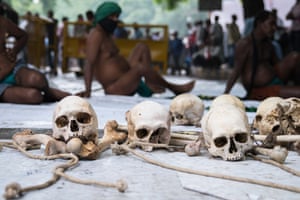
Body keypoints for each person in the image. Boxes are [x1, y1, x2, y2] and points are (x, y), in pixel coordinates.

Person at [79, 2, 195, 98]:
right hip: (115, 86)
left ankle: (150, 83)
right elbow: (89, 63)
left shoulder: (106, 34)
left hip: (124, 75)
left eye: (117, 17)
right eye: (112, 16)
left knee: (141, 47)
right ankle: (174, 88)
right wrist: (87, 90)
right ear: (103, 16)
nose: (115, 20)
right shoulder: (96, 35)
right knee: (140, 68)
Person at [0, 6, 71, 104]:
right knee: (34, 97)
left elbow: (23, 35)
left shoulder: (3, 21)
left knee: (38, 79)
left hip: (13, 69)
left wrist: (14, 51)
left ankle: (49, 92)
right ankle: (47, 93)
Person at [224, 10, 300, 100]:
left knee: (295, 56)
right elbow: (236, 71)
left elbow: (278, 64)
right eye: (271, 24)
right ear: (260, 23)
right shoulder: (245, 44)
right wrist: (226, 93)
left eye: (275, 25)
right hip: (259, 90)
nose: (274, 28)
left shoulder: (268, 43)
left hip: (275, 78)